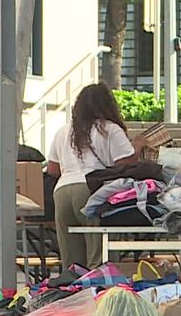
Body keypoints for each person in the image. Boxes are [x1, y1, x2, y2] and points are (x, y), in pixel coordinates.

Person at [46, 83, 144, 269]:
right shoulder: (109, 129)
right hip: (92, 191)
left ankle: (73, 294)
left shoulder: (64, 131)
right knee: (99, 257)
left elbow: (52, 169)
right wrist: (137, 147)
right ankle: (98, 295)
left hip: (62, 192)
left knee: (72, 263)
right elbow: (127, 163)